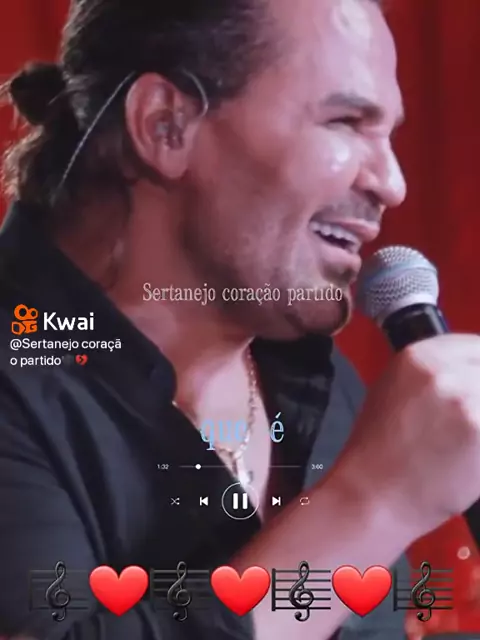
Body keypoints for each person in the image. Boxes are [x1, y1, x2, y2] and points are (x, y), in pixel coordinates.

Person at [1, 0, 480, 639]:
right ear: (166, 126)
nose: (392, 184)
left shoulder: (320, 387)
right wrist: (374, 502)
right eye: (345, 121)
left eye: (387, 133)